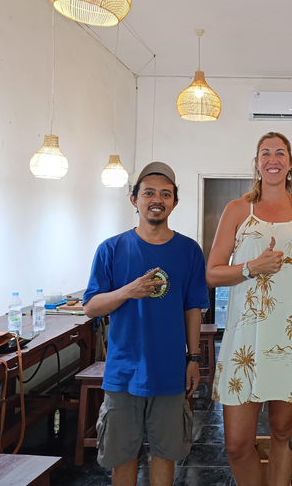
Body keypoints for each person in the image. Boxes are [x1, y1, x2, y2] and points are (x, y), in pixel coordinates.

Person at [207, 132, 292, 486]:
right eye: (265, 154)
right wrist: (250, 268)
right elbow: (212, 273)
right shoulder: (237, 209)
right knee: (237, 443)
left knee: (283, 431)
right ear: (257, 163)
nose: (273, 159)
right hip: (246, 337)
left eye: (280, 153)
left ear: (290, 163)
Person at [83, 162, 209, 486]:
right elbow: (91, 307)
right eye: (149, 192)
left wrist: (193, 359)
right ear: (134, 199)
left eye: (165, 194)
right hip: (123, 371)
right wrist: (128, 291)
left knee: (165, 454)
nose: (157, 199)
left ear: (174, 203)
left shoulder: (189, 251)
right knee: (122, 455)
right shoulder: (111, 249)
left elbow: (193, 307)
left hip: (169, 371)